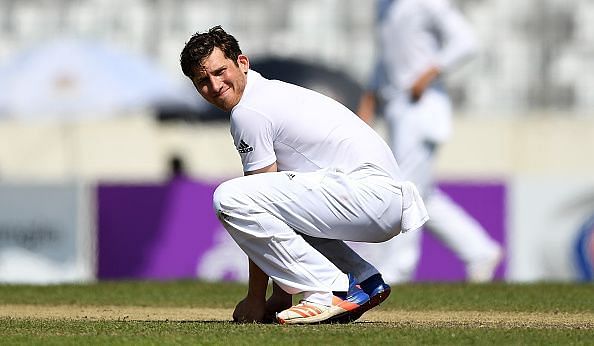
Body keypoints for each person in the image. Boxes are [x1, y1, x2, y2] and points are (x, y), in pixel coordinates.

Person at [180, 26, 428, 324]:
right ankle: (360, 279)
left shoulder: (249, 111)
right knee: (269, 203)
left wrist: (256, 299)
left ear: (242, 63)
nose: (215, 85)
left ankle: (328, 290)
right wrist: (281, 297)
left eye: (220, 71)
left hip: (368, 194)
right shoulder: (266, 93)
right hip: (377, 197)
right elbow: (274, 206)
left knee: (229, 198)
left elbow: (255, 200)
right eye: (202, 81)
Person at [356, 0, 502, 283]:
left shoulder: (427, 2)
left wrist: (429, 72)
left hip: (421, 107)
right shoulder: (384, 7)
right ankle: (480, 250)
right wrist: (370, 98)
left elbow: (466, 41)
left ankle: (398, 269)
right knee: (422, 195)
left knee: (403, 190)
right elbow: (387, 57)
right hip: (399, 108)